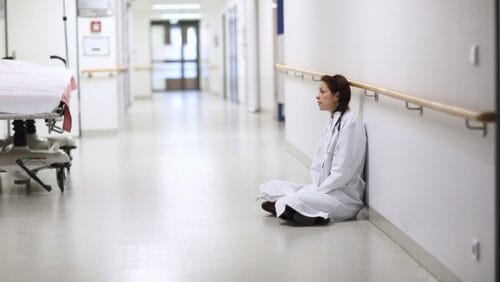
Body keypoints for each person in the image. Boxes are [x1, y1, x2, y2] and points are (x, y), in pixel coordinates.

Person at [257, 74, 367, 226]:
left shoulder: (352, 124)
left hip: (342, 199)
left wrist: (317, 191)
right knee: (271, 186)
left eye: (322, 92)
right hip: (324, 189)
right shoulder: (332, 122)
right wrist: (315, 187)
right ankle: (295, 209)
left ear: (336, 96)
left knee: (293, 199)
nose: (317, 96)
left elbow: (343, 172)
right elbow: (317, 163)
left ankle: (298, 209)